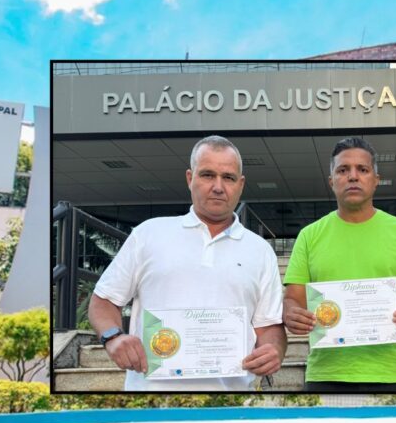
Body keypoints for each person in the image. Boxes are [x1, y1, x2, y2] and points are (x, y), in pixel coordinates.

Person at [88, 135, 286, 391]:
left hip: (231, 401)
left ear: (241, 184)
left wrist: (275, 351)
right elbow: (103, 301)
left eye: (228, 177)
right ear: (190, 178)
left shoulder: (260, 250)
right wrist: (113, 337)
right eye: (207, 175)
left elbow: (269, 325)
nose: (218, 186)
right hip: (149, 398)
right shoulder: (148, 234)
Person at [282, 137, 396, 392]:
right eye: (343, 170)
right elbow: (293, 299)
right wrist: (291, 314)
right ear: (331, 181)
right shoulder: (309, 236)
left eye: (362, 170)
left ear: (376, 180)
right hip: (326, 374)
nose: (353, 177)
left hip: (392, 373)